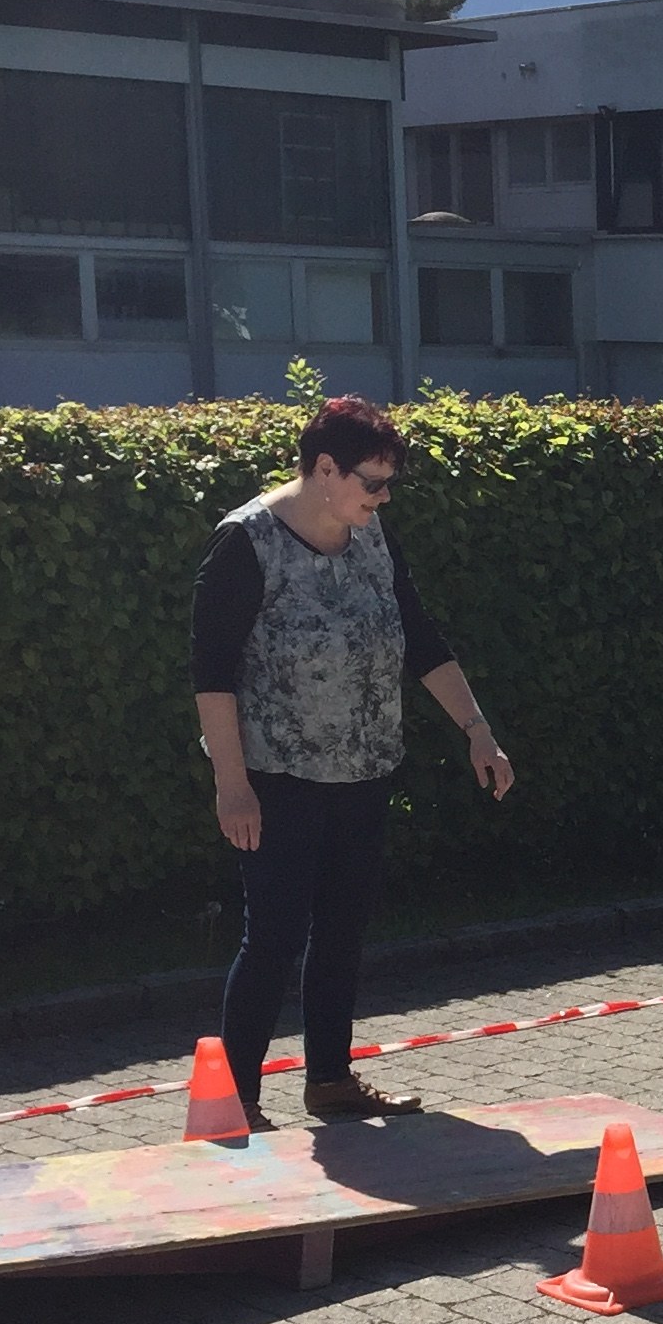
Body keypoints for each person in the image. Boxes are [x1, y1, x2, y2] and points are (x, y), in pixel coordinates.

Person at [191, 398, 513, 1126]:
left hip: (363, 771)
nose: (383, 497)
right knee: (274, 937)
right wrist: (232, 784)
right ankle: (234, 1102)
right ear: (325, 470)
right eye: (373, 482)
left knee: (343, 930)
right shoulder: (246, 542)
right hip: (276, 779)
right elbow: (211, 674)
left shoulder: (372, 536)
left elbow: (420, 637)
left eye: (389, 483)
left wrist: (477, 730)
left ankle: (330, 1082)